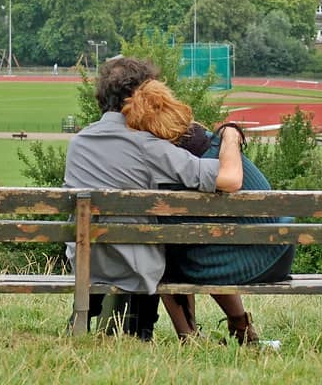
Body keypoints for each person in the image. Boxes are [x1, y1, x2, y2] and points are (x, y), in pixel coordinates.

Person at [62, 57, 244, 340]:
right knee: (169, 240)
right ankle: (153, 331)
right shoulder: (148, 146)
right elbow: (229, 179)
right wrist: (231, 135)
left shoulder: (78, 144)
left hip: (87, 263)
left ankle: (103, 323)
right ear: (143, 95)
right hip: (136, 268)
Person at [122, 79, 295, 344]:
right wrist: (230, 134)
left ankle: (188, 335)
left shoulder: (176, 168)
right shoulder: (217, 145)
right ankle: (241, 327)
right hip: (279, 254)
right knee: (210, 244)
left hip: (241, 265)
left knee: (166, 253)